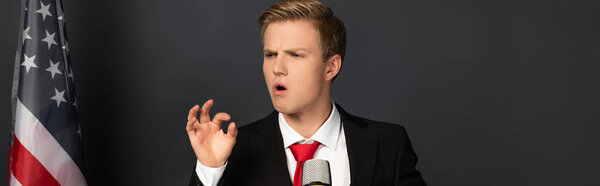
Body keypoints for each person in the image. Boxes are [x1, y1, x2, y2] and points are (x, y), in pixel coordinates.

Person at [186, 0, 426, 185]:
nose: (277, 69)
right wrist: (210, 169)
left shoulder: (389, 144)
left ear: (330, 67)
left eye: (295, 55)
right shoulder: (235, 149)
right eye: (270, 55)